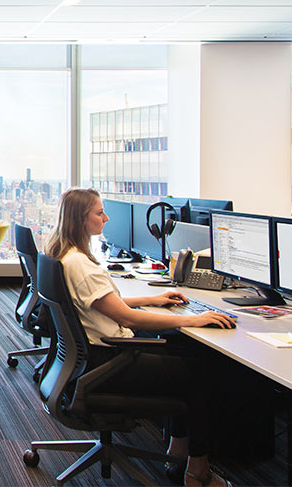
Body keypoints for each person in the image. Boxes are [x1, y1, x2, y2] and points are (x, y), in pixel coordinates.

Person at [45, 187, 234, 487]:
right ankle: (197, 471)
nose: (106, 218)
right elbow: (126, 318)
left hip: (89, 361)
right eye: (99, 213)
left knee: (183, 354)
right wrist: (195, 318)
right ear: (82, 219)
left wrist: (154, 299)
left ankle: (178, 451)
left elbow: (104, 305)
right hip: (109, 361)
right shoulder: (82, 265)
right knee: (198, 372)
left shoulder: (66, 256)